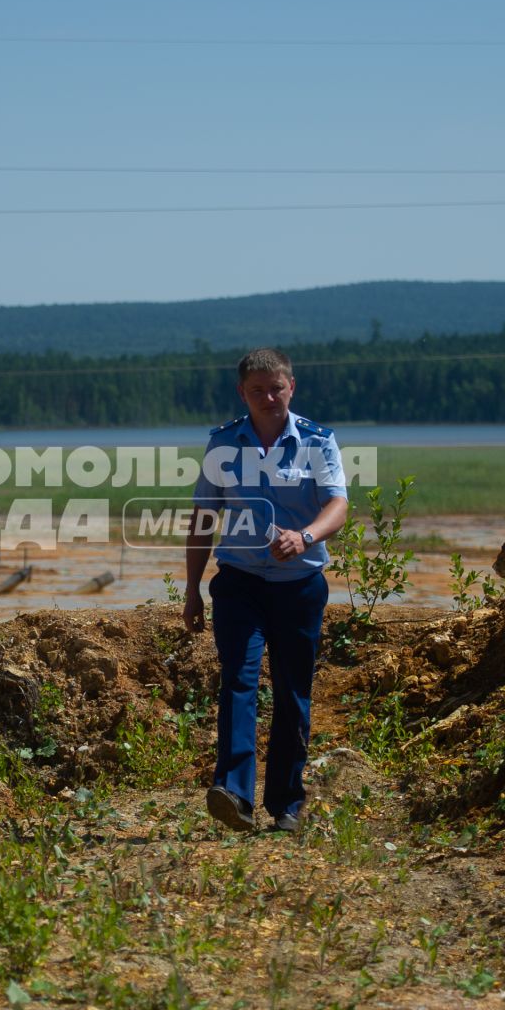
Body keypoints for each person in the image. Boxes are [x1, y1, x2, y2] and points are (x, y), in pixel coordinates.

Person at [182, 348, 349, 833]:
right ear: (243, 393)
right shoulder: (221, 443)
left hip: (300, 586)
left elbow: (338, 505)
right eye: (257, 390)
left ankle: (288, 805)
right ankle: (234, 794)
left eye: (276, 388)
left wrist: (306, 537)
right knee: (239, 678)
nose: (268, 397)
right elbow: (202, 519)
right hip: (239, 584)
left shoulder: (319, 441)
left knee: (293, 691)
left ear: (291, 386)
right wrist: (191, 589)